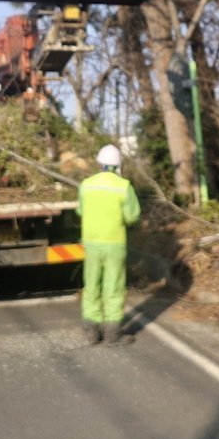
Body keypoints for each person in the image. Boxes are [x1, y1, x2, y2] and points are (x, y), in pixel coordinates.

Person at [77, 143, 141, 344]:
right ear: (118, 165)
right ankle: (112, 333)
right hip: (114, 243)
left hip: (91, 242)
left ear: (99, 163)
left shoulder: (86, 185)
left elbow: (80, 210)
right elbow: (132, 216)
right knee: (113, 286)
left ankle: (91, 331)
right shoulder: (124, 186)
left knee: (92, 284)